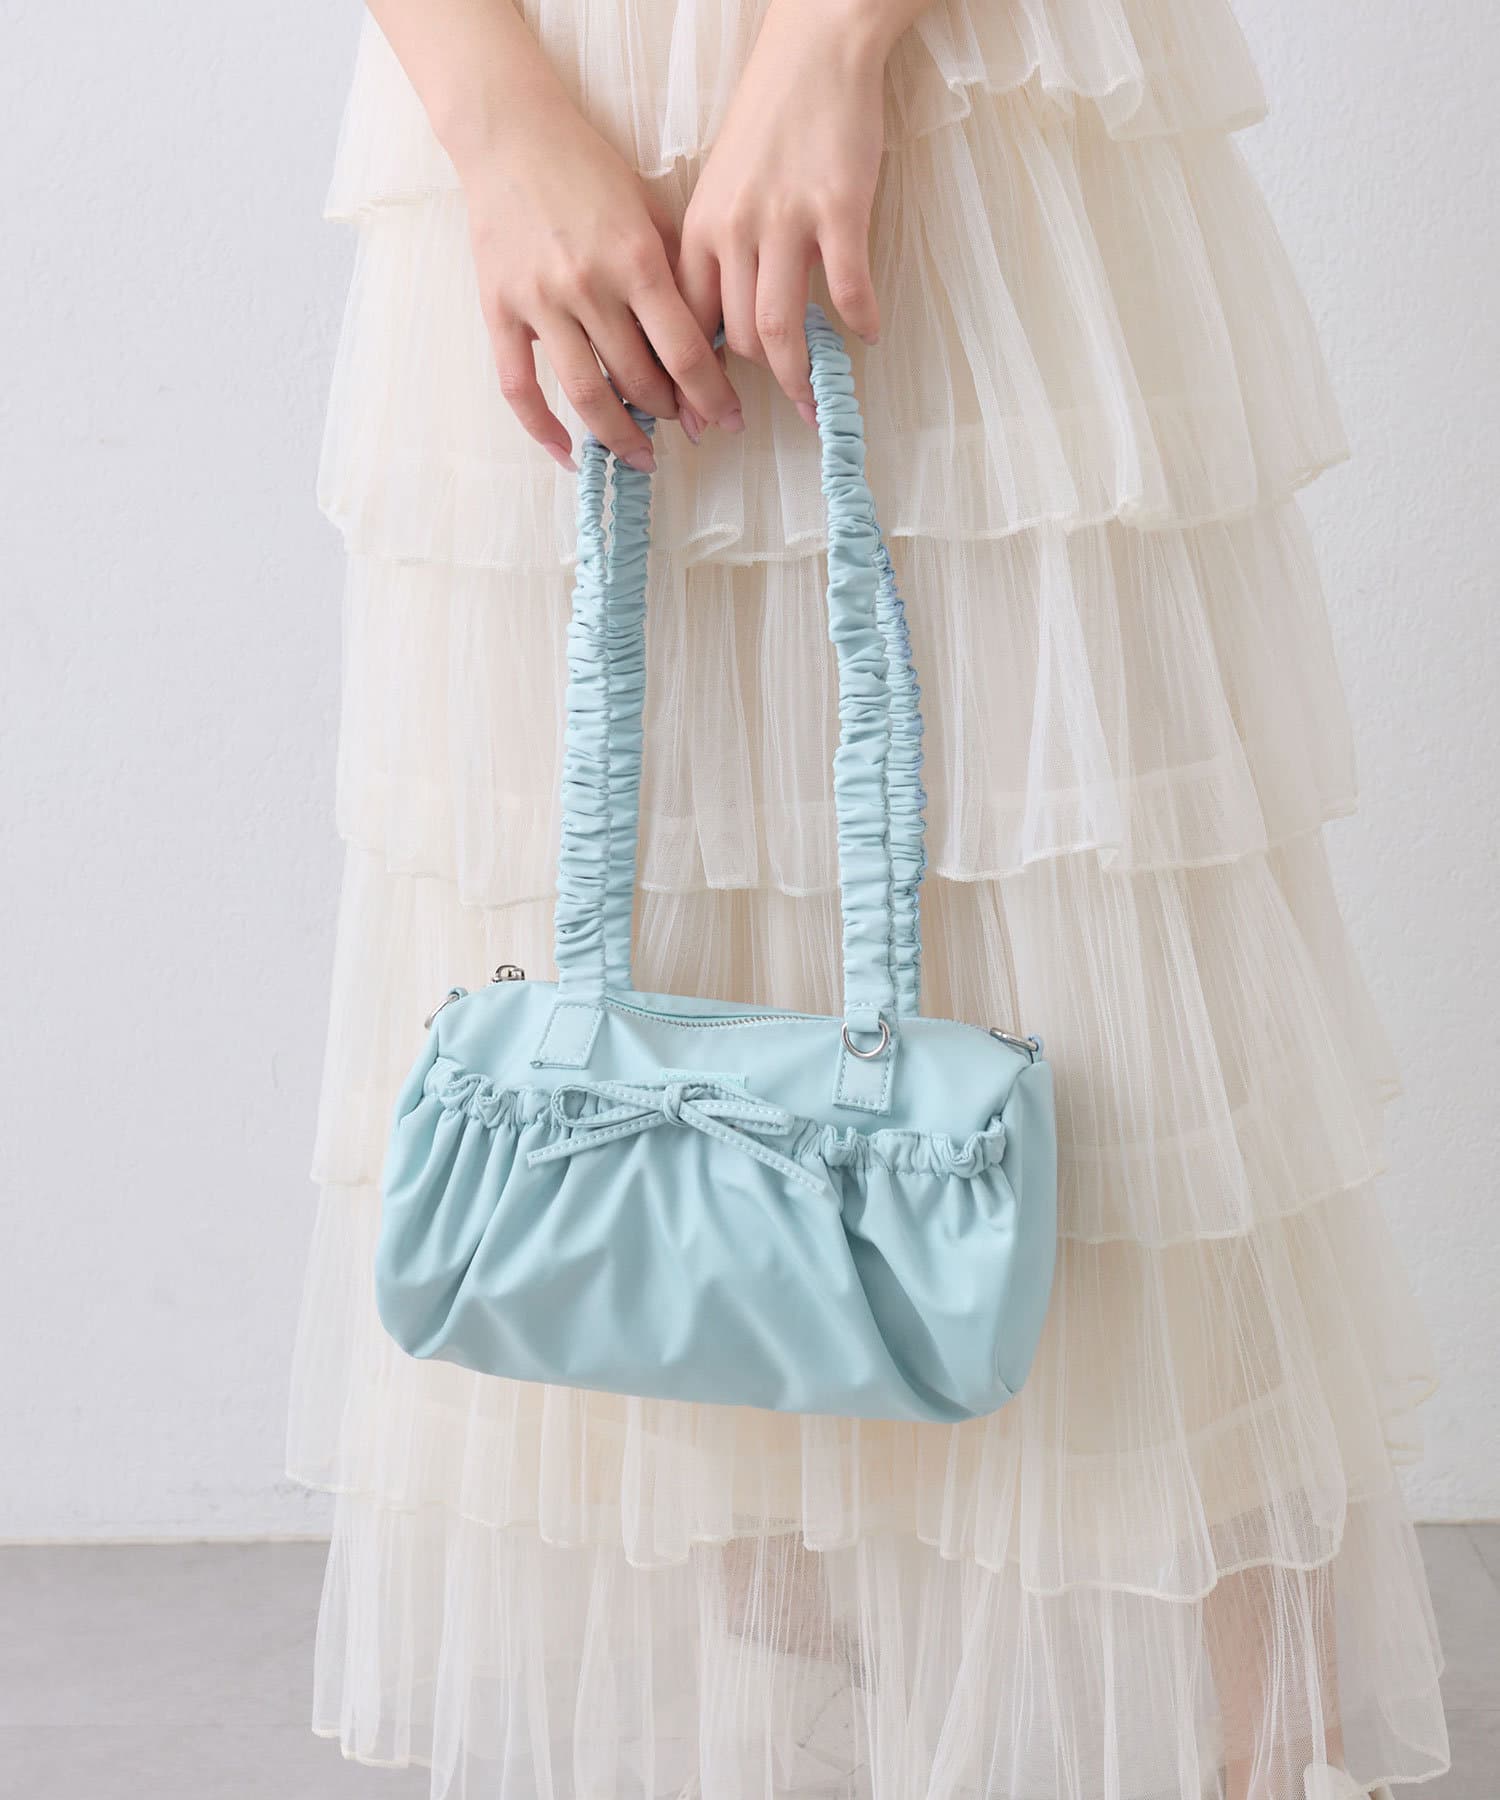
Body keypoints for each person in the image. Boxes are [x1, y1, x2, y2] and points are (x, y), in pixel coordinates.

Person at [288, 2, 1447, 1794]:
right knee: (659, 963)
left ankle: (1263, 1759)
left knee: (1115, 967)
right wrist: (496, 115)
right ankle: (806, 1731)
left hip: (951, 79)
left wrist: (834, 42)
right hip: (537, 93)